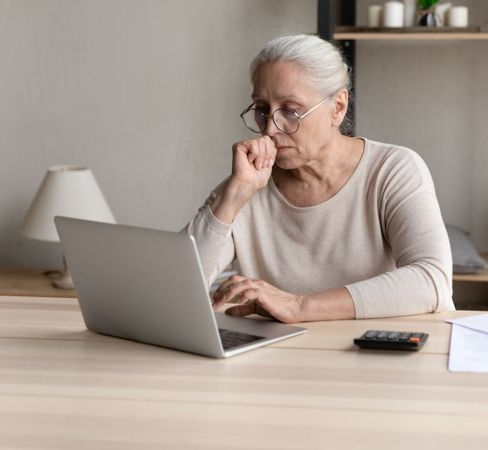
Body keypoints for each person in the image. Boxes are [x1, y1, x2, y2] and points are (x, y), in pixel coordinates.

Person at [186, 34, 453, 323]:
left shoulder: (392, 169)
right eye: (263, 110)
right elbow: (178, 288)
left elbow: (431, 280)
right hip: (289, 357)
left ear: (337, 107)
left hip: (383, 354)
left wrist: (299, 307)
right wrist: (234, 195)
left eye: (290, 110)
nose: (270, 130)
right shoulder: (249, 183)